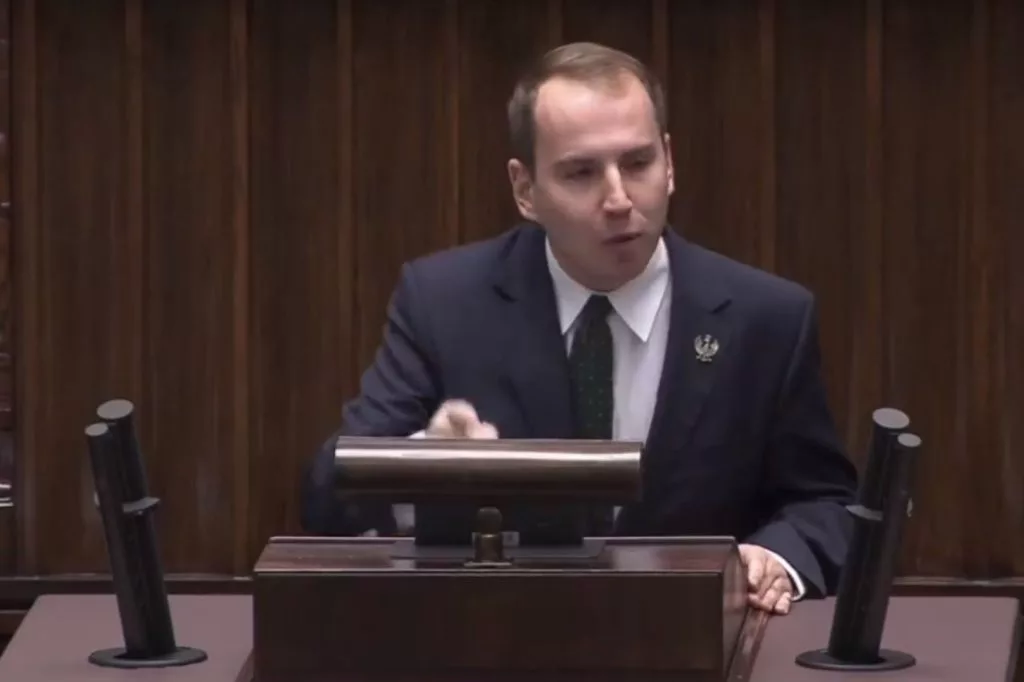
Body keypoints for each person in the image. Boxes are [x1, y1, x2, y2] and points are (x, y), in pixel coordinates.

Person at [301, 42, 859, 615]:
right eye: (581, 173)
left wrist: (776, 555)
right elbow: (328, 496)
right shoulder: (443, 302)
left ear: (669, 163)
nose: (618, 199)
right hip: (501, 635)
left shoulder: (766, 317)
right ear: (525, 190)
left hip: (697, 640)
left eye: (638, 164)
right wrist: (425, 466)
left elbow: (828, 504)